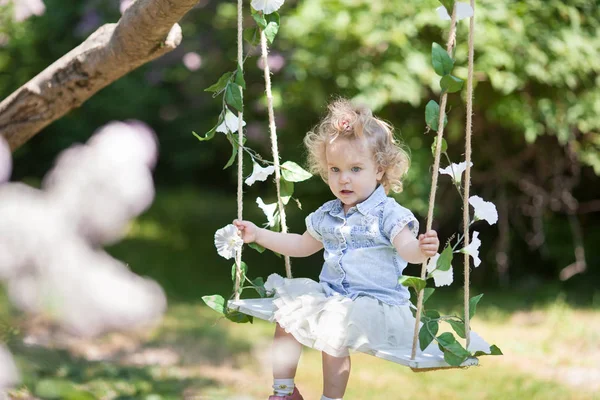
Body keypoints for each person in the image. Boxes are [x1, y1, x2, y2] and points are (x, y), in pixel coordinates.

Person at [233, 98, 440, 400]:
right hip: (332, 298)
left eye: (356, 169)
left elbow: (407, 250)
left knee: (334, 330)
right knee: (286, 316)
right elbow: (301, 245)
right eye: (335, 169)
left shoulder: (389, 215)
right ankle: (283, 392)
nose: (344, 178)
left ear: (379, 170)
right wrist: (259, 235)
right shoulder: (328, 214)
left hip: (375, 304)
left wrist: (422, 250)